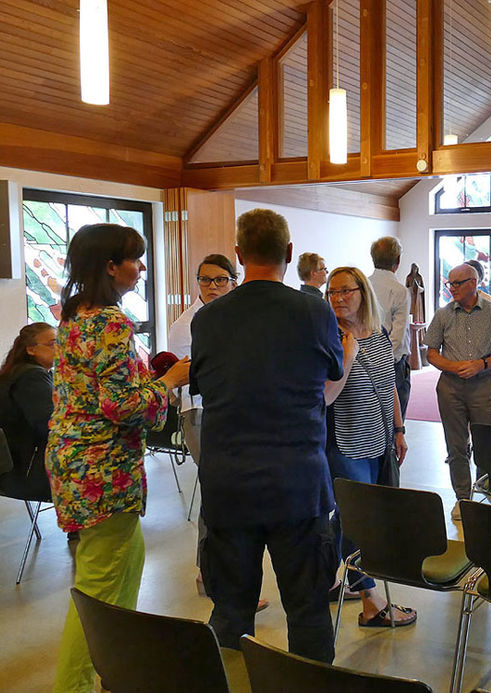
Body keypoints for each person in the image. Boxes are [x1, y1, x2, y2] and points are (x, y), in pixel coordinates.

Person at [190, 208, 343, 661]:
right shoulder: (313, 311)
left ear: (238, 255)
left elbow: (203, 383)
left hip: (228, 482)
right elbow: (333, 370)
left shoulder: (208, 318)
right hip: (297, 481)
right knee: (308, 608)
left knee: (230, 611)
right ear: (289, 253)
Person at [47, 223, 190, 693]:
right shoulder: (109, 322)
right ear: (111, 266)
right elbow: (127, 407)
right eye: (136, 258)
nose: (143, 267)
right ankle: (75, 686)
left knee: (124, 566)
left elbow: (100, 390)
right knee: (99, 589)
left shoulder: (73, 315)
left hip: (75, 464)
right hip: (100, 471)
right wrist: (169, 382)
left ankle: (114, 672)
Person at [167, 254, 271, 608]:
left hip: (231, 413)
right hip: (201, 414)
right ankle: (214, 576)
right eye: (205, 280)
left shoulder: (234, 314)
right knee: (217, 493)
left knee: (224, 494)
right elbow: (200, 378)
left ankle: (215, 574)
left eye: (220, 280)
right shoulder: (189, 324)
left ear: (234, 279)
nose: (212, 287)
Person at [324, 266, 415, 628]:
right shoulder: (329, 337)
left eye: (346, 291)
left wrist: (399, 429)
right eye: (332, 292)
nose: (339, 298)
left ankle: (327, 575)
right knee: (359, 520)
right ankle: (370, 601)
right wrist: (347, 355)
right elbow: (327, 397)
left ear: (363, 292)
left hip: (378, 439)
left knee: (351, 517)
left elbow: (388, 382)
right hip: (346, 444)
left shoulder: (378, 335)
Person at [424, 263, 491, 521]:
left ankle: (488, 488)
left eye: (457, 283)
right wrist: (454, 367)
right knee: (456, 445)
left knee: (487, 440)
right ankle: (463, 497)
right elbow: (430, 352)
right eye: (449, 283)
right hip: (450, 387)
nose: (451, 288)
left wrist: (480, 365)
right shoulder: (443, 315)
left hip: (483, 386)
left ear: (473, 283)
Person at [0, 323, 56, 502]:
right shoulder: (32, 376)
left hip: (13, 466)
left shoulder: (16, 371)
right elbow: (49, 425)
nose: (60, 349)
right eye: (53, 344)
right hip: (29, 471)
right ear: (31, 349)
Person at [368, 237, 412, 420]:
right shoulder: (399, 290)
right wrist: (383, 361)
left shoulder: (363, 285)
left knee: (372, 417)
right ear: (398, 261)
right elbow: (397, 335)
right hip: (391, 364)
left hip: (363, 359)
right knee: (394, 420)